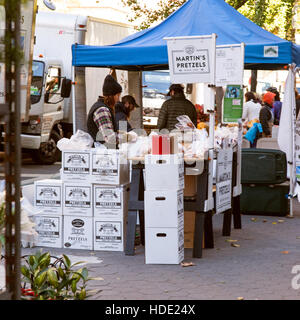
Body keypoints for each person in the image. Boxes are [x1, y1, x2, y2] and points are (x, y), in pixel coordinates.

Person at [87, 74, 122, 146]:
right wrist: (127, 137)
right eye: (118, 95)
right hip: (101, 153)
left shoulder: (103, 107)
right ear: (111, 95)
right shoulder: (102, 110)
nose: (118, 99)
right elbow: (110, 138)